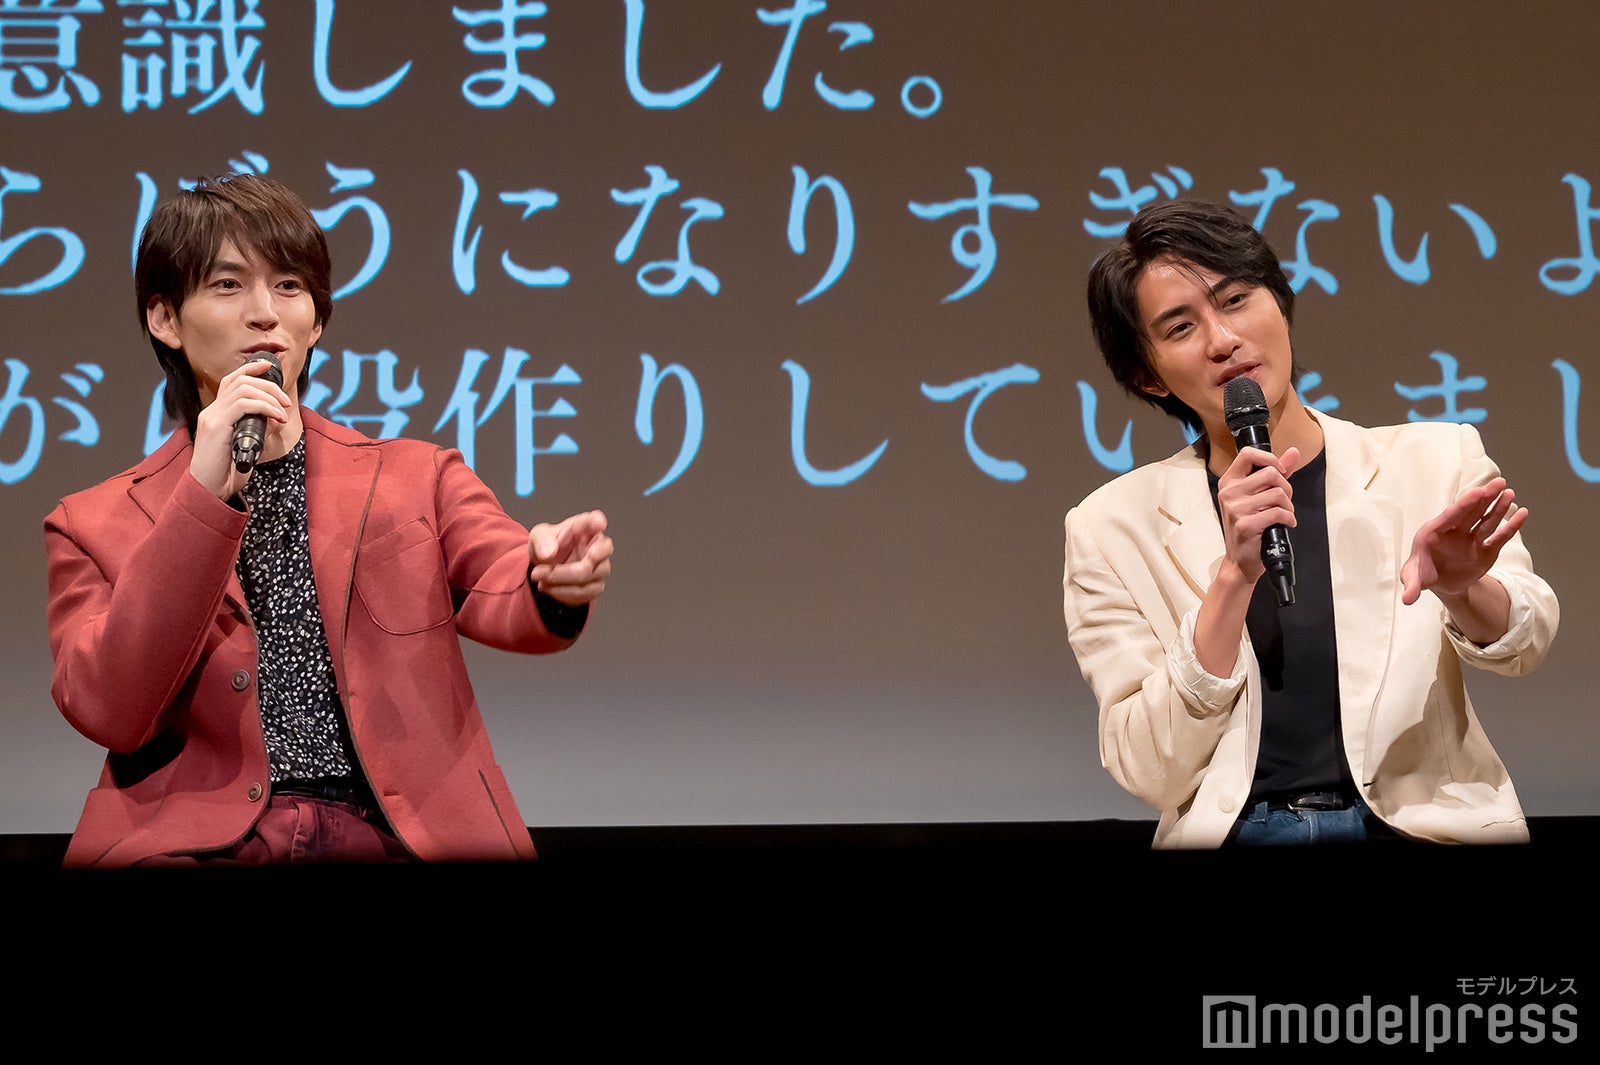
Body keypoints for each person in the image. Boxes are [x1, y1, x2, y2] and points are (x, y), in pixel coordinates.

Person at [44, 172, 613, 867]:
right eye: (228, 285)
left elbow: (501, 577)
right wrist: (201, 499)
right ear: (164, 319)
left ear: (315, 322)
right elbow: (110, 708)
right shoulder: (88, 523)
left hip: (397, 835)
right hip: (199, 847)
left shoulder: (417, 474)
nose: (264, 313)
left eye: (288, 286)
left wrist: (548, 577)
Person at [1063, 200, 1558, 848]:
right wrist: (1233, 579)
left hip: (1420, 826)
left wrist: (1464, 588)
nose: (1223, 340)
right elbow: (1146, 766)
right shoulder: (1109, 527)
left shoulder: (1435, 459)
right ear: (1146, 375)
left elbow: (1527, 642)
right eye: (1181, 327)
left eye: (1236, 300)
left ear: (1280, 302)